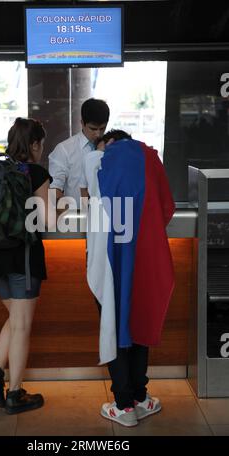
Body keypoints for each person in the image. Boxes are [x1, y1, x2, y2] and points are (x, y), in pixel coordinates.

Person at [81, 129, 175, 427]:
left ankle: (123, 405)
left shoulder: (98, 161)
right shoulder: (147, 158)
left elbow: (88, 196)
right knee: (139, 320)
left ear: (110, 144)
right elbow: (167, 208)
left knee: (113, 321)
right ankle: (140, 397)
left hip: (109, 260)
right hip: (144, 257)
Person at [0, 117, 53, 415]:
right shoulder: (35, 172)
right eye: (41, 144)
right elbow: (46, 221)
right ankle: (15, 393)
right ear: (34, 144)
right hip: (22, 257)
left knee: (15, 319)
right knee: (22, 324)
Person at [48, 98, 110, 206]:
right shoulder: (64, 150)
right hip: (76, 216)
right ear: (82, 123)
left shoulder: (111, 147)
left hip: (107, 216)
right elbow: (54, 190)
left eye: (102, 128)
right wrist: (70, 216)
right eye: (93, 129)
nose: (98, 134)